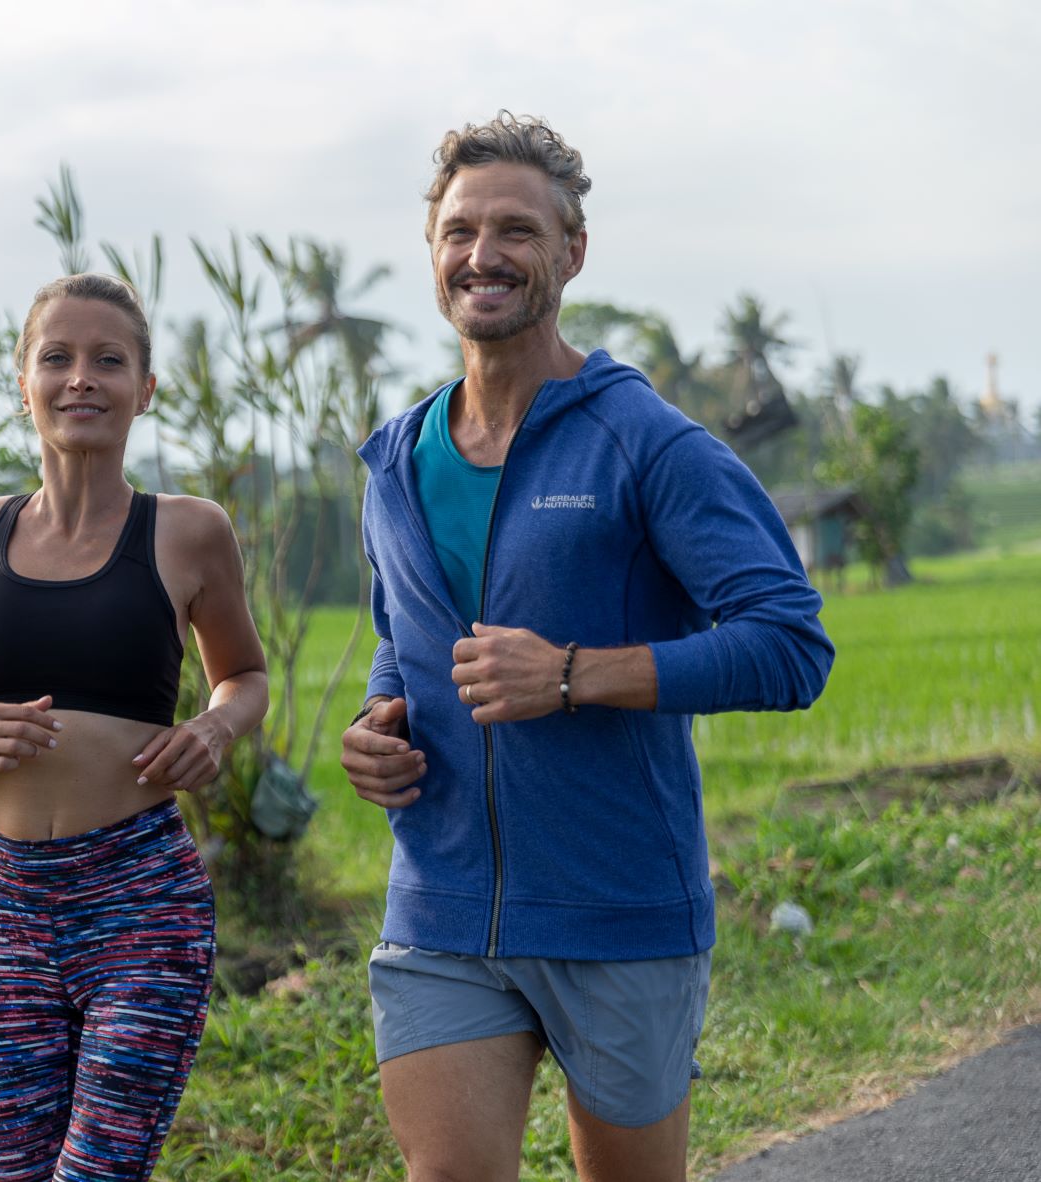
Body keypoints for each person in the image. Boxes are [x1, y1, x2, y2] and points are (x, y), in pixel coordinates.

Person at [340, 112, 834, 1182]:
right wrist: (376, 726)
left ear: (572, 251)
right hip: (442, 907)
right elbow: (403, 643)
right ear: (432, 251)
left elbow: (791, 647)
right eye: (461, 229)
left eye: (516, 229)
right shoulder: (393, 461)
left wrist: (569, 677)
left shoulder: (648, 443)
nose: (484, 254)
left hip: (621, 906)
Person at [0, 272, 268, 1182]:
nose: (81, 380)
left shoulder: (186, 531)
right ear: (20, 383)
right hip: (8, 904)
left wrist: (216, 731)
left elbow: (244, 677)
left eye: (109, 360)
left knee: (96, 1171)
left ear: (146, 388)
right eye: (55, 359)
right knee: (20, 1171)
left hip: (140, 895)